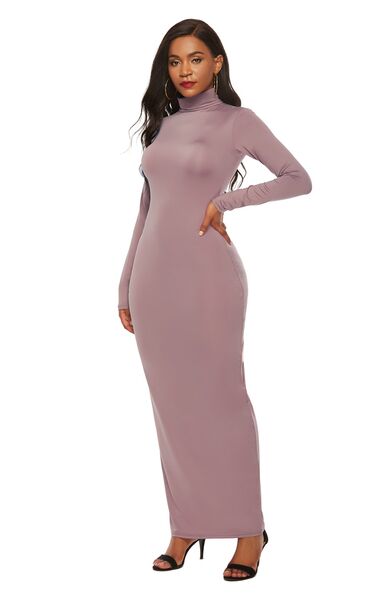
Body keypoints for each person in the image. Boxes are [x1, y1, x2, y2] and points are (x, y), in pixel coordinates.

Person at [118, 19, 312, 581]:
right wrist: (125, 282)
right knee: (172, 408)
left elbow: (297, 178)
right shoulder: (163, 126)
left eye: (196, 59)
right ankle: (187, 524)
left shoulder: (237, 121)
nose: (185, 71)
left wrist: (226, 202)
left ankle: (249, 530)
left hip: (207, 280)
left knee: (222, 403)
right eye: (175, 61)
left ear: (217, 63)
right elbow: (147, 209)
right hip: (153, 282)